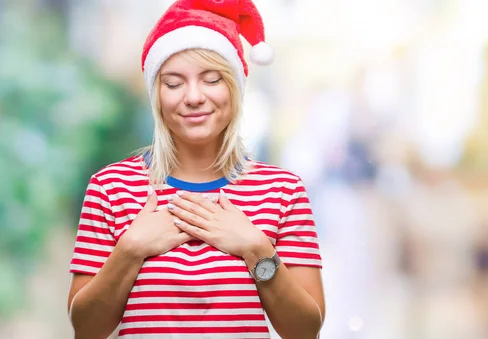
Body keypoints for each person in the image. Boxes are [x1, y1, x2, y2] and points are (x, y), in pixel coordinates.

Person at [66, 1, 325, 338]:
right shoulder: (111, 187)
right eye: (173, 84)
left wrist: (256, 249)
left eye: (211, 79)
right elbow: (86, 330)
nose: (193, 97)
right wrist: (130, 250)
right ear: (156, 95)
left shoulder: (282, 190)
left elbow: (306, 330)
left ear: (234, 87)